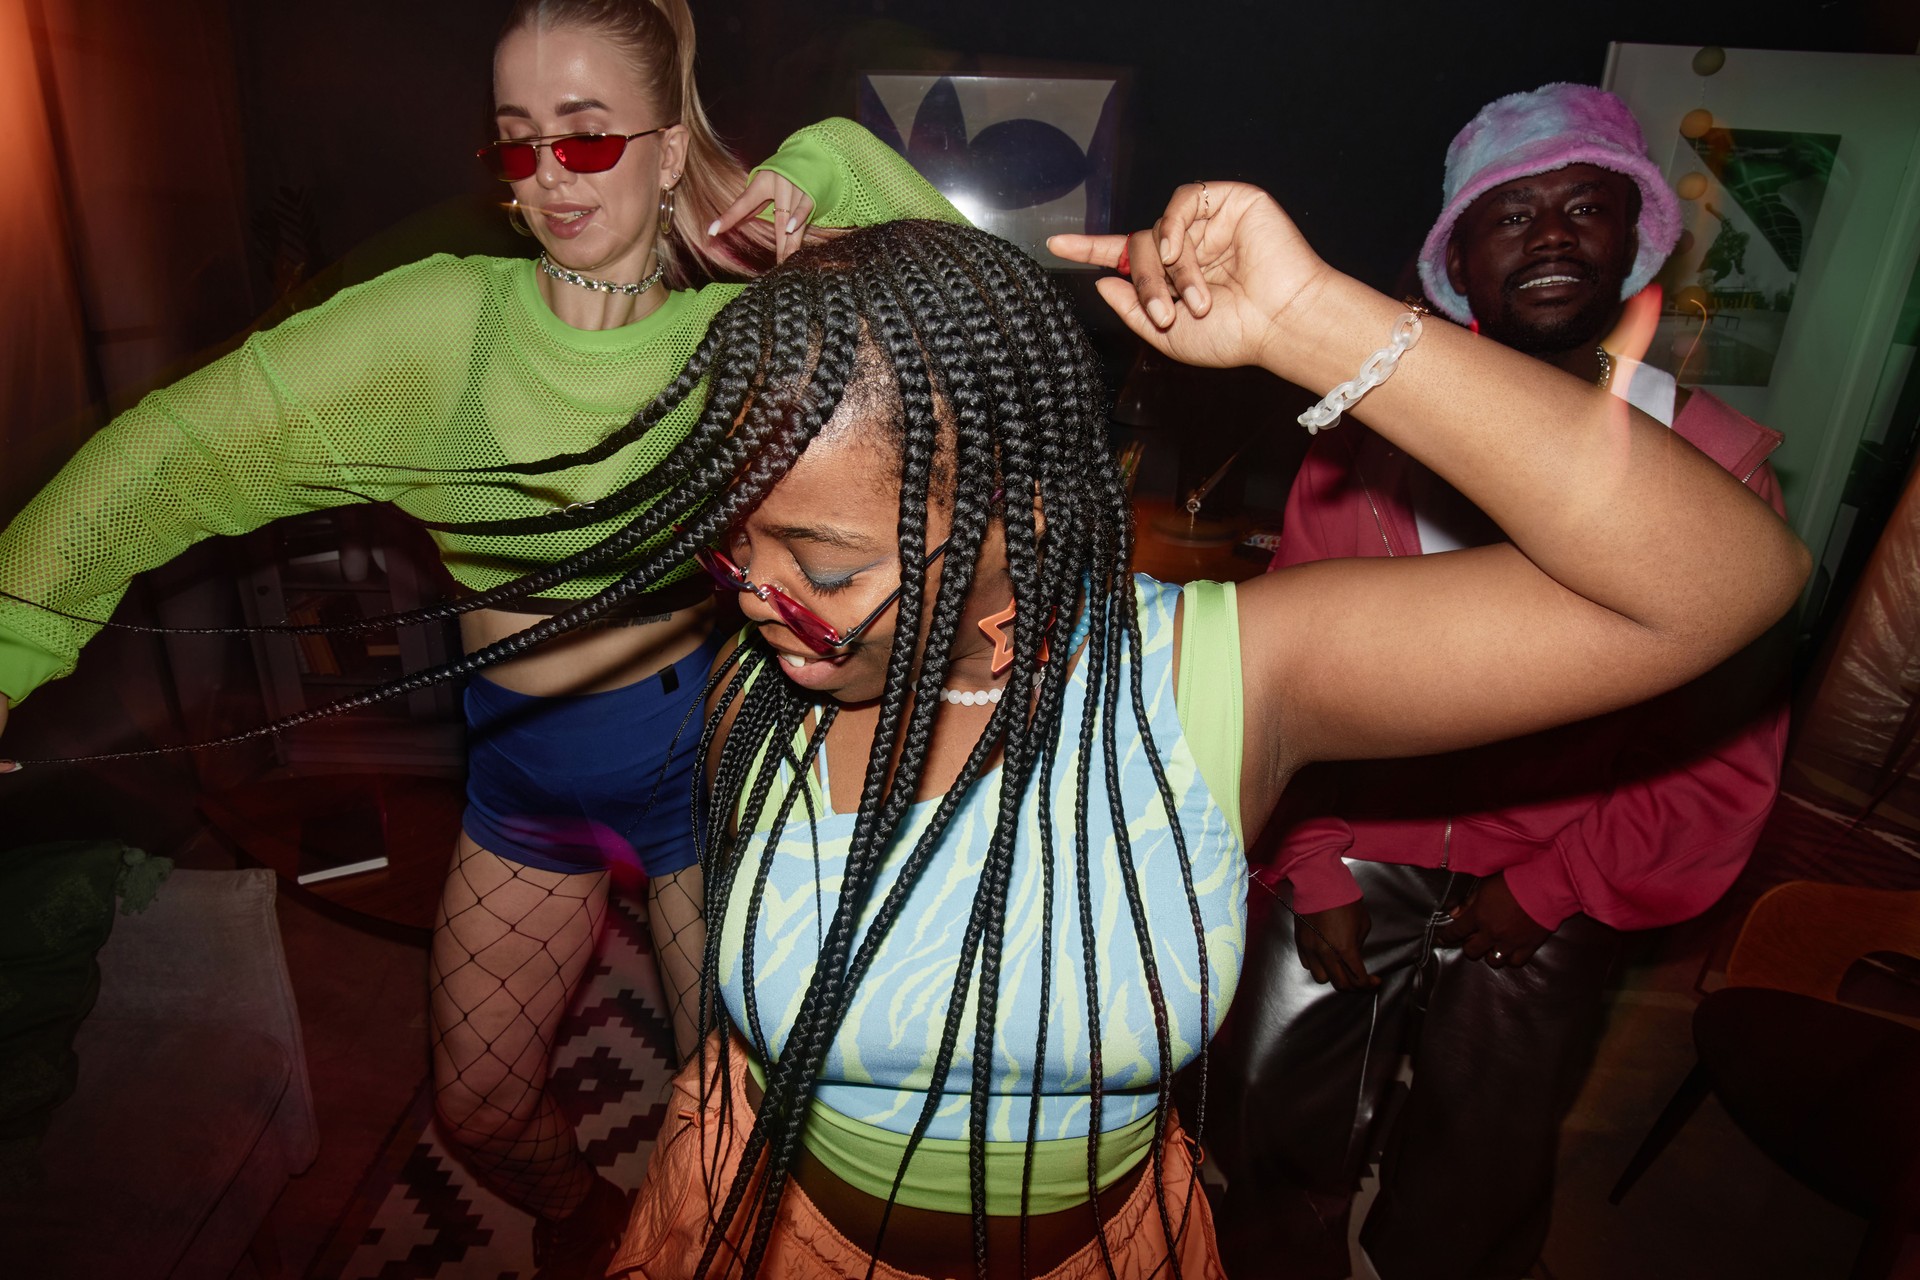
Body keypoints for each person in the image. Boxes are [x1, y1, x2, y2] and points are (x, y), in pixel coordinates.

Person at [327, 190, 1793, 1276]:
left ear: (1025, 517)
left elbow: (1722, 586)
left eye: (827, 564)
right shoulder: (754, 682)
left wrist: (1313, 324)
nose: (762, 603)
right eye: (733, 554)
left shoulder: (1223, 676)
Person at [0, 1, 962, 1273]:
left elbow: (965, 308)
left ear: (671, 150)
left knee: (730, 1098)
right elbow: (173, 455)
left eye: (586, 138)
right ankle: (587, 1218)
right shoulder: (445, 331)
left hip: (704, 768)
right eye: (516, 145)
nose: (549, 179)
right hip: (521, 779)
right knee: (485, 1105)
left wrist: (817, 172)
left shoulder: (743, 332)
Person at [1211, 83, 1793, 1280]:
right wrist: (1315, 861)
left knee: (1482, 1154)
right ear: (1456, 262)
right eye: (1509, 213)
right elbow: (1284, 661)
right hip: (1352, 846)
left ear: (1637, 239)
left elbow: (1726, 744)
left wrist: (1559, 882)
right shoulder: (1368, 440)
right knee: (1275, 1110)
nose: (1551, 235)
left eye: (1586, 205)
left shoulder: (1712, 472)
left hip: (1567, 869)